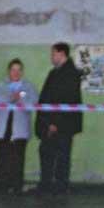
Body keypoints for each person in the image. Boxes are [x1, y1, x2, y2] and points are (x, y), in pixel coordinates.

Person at [34, 42, 83, 194]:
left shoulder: (69, 74)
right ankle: (48, 184)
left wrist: (54, 123)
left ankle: (59, 186)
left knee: (60, 156)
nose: (51, 57)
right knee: (48, 153)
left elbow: (66, 101)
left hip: (60, 125)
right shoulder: (56, 72)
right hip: (52, 123)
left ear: (61, 54)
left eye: (53, 53)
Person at [0, 59, 38, 195]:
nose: (16, 72)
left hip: (21, 130)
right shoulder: (0, 85)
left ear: (22, 72)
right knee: (4, 159)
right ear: (8, 71)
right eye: (13, 69)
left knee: (18, 160)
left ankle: (17, 187)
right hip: (3, 129)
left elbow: (32, 101)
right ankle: (3, 187)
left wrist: (20, 97)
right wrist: (12, 97)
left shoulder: (28, 86)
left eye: (19, 70)